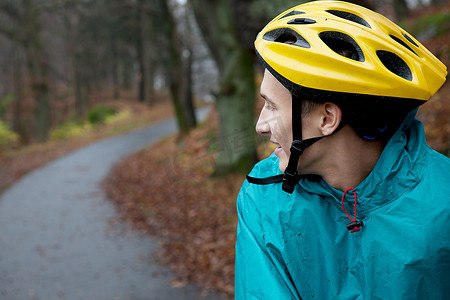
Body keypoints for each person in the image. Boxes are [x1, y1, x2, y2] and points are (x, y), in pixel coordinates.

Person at [235, 1, 449, 299]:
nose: (260, 125)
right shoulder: (264, 198)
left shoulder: (443, 201)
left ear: (327, 119)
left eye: (271, 106)